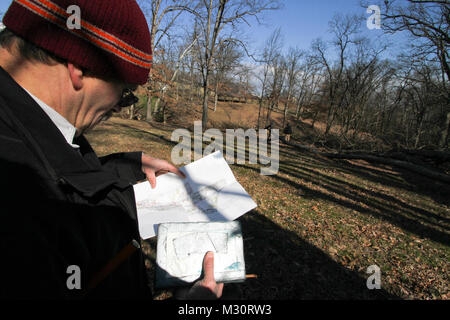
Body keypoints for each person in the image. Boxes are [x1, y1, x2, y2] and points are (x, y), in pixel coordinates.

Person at [0, 0, 223, 299]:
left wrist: (124, 167)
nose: (119, 107)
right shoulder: (22, 203)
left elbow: (61, 176)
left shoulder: (27, 127)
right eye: (125, 92)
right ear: (78, 67)